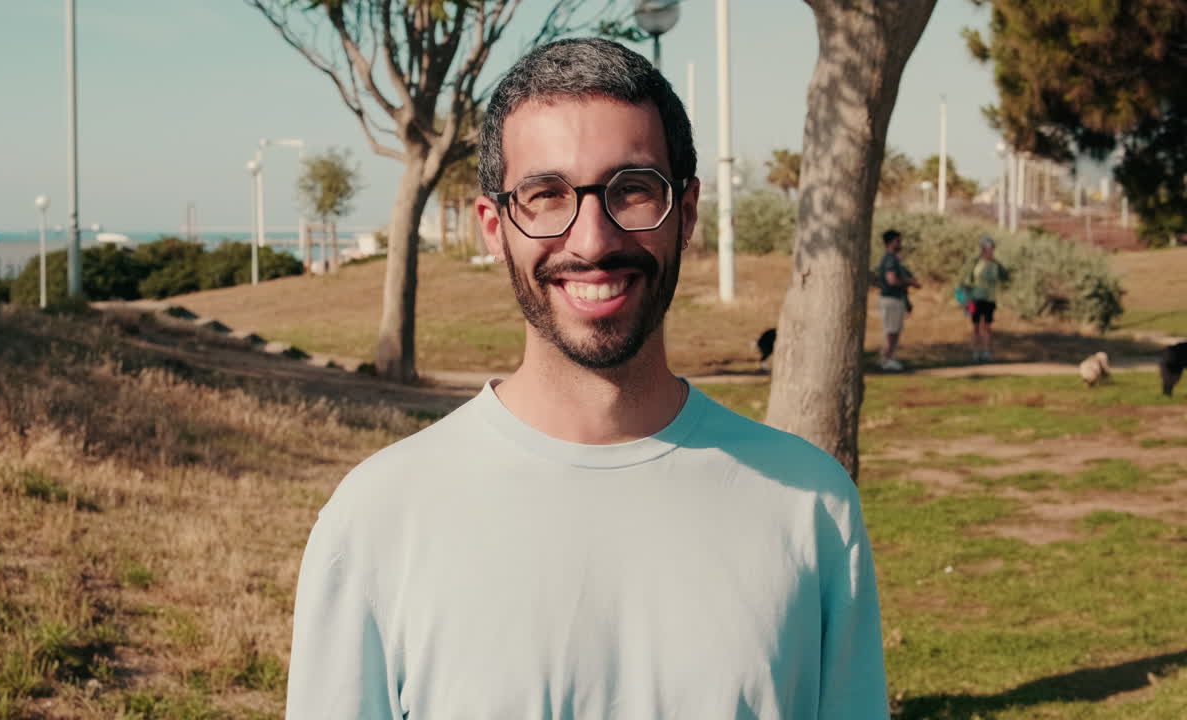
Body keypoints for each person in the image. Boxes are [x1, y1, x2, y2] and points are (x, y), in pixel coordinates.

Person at [285, 38, 887, 720]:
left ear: (686, 213)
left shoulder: (809, 509)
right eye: (546, 195)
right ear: (494, 225)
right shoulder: (377, 521)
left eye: (632, 190)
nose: (592, 241)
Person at [876, 228, 920, 371]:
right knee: (891, 330)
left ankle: (889, 357)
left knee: (894, 329)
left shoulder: (894, 259)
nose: (900, 243)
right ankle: (887, 359)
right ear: (890, 242)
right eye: (898, 241)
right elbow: (891, 279)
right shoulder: (890, 259)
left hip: (895, 299)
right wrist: (909, 282)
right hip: (891, 299)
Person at [963, 235, 1009, 362]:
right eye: (988, 249)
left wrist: (998, 263)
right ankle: (975, 352)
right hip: (975, 298)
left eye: (992, 249)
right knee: (976, 326)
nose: (990, 251)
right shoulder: (975, 263)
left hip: (990, 298)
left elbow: (1005, 276)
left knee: (987, 326)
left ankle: (986, 352)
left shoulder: (995, 264)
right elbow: (967, 282)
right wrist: (966, 300)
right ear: (983, 249)